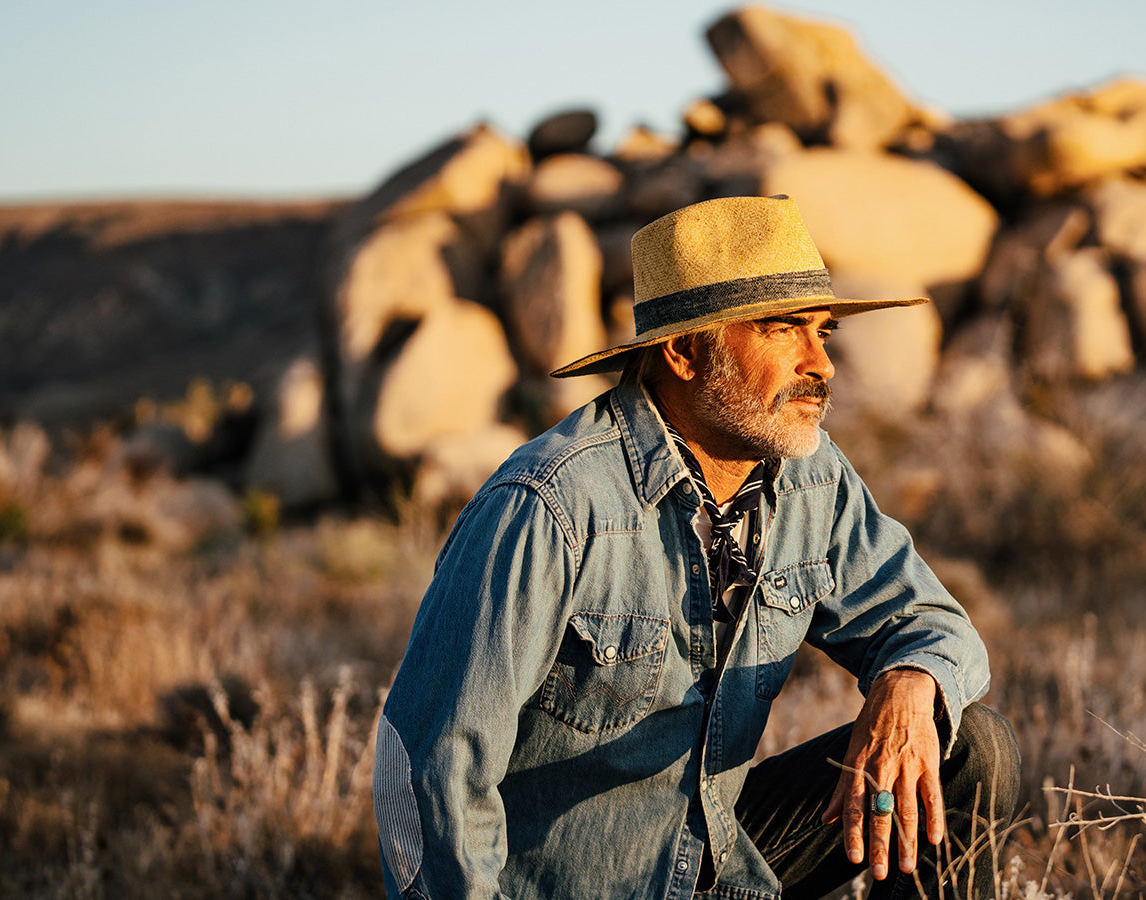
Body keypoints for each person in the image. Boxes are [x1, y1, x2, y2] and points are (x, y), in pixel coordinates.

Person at [373, 195, 1020, 899]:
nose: (822, 364)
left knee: (969, 749)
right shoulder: (550, 506)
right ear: (683, 351)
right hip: (575, 883)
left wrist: (908, 681)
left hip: (716, 863)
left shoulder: (809, 476)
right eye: (783, 331)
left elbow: (937, 626)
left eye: (823, 332)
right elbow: (432, 767)